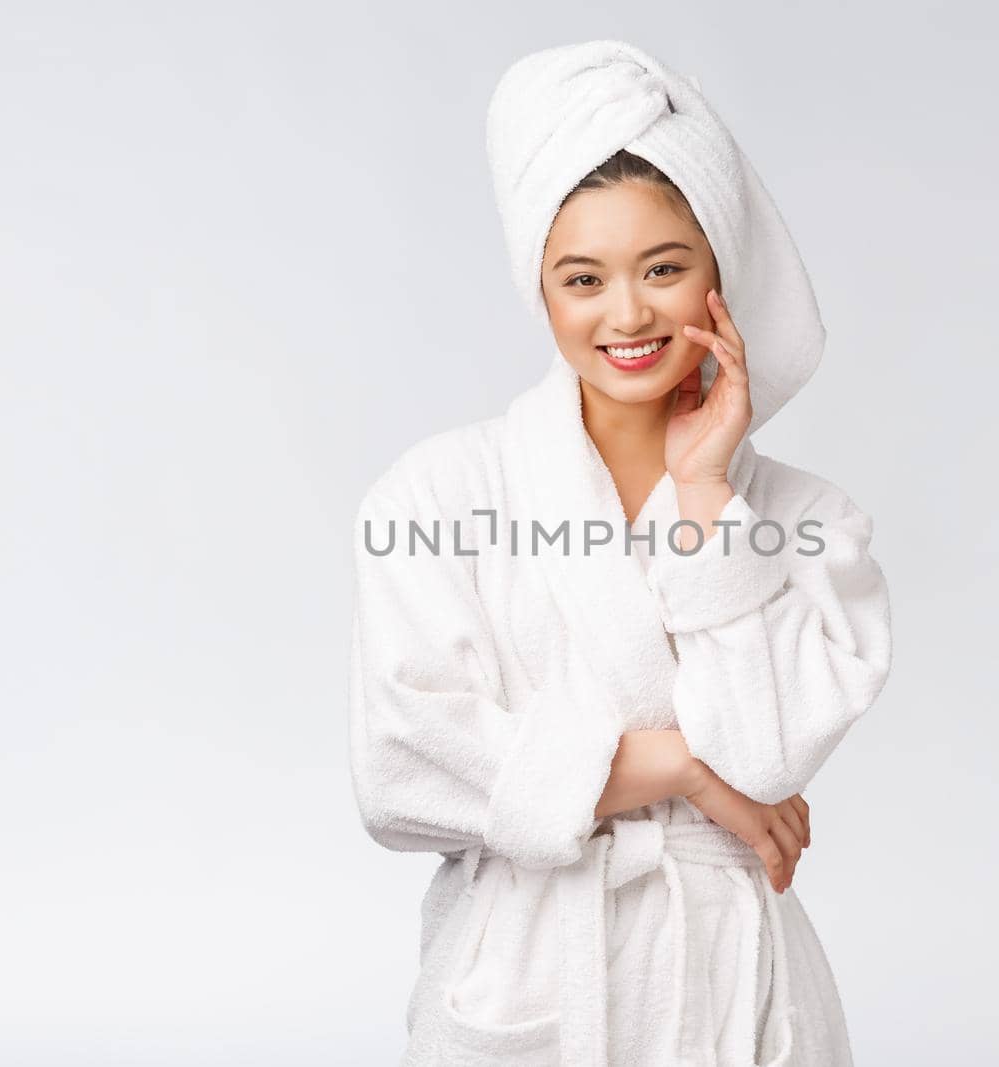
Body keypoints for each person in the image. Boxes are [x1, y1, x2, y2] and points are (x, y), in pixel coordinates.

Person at [349, 40, 893, 1066]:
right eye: (582, 277)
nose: (628, 313)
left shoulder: (808, 521)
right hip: (532, 976)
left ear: (718, 278)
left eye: (664, 268)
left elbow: (768, 755)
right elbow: (401, 771)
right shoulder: (439, 497)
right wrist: (689, 769)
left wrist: (702, 497)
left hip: (739, 989)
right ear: (540, 292)